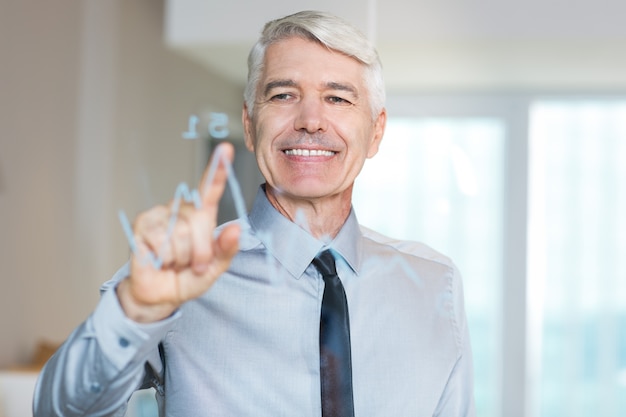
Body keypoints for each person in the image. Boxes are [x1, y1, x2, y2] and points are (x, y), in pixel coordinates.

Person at [33, 10, 475, 417]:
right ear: (249, 124)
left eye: (338, 99)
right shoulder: (180, 274)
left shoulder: (436, 285)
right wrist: (132, 311)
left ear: (376, 131)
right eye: (284, 94)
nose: (311, 120)